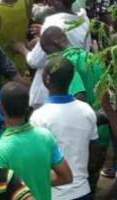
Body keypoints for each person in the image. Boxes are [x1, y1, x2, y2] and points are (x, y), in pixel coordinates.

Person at [30, 56, 98, 200]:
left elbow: (37, 160)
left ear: (47, 78)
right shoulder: (87, 111)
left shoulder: (38, 117)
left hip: (53, 193)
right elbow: (94, 152)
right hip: (82, 190)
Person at [0, 82, 73, 200]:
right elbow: (66, 177)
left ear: (0, 106)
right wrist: (40, 180)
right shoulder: (45, 136)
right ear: (27, 106)